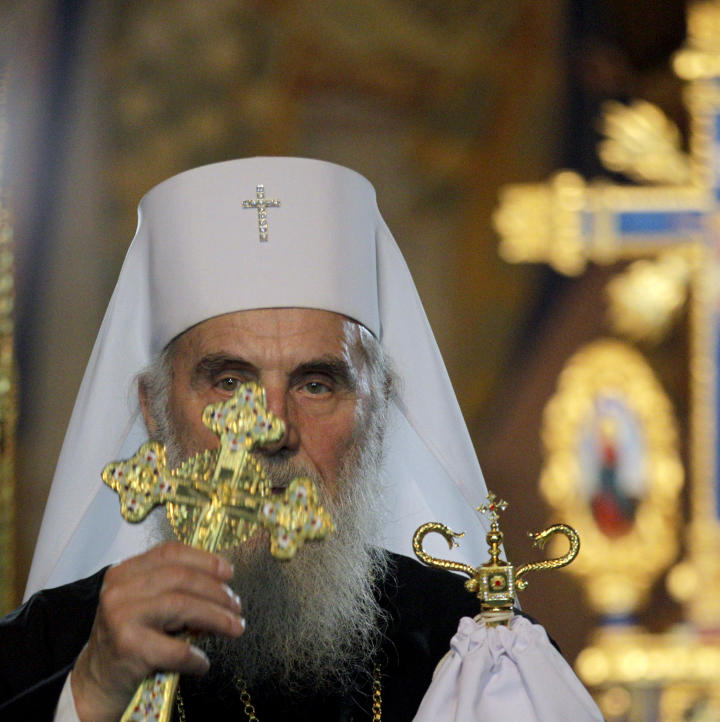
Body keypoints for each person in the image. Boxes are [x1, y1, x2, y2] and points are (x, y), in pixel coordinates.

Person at [0, 158, 603, 721]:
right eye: (229, 381)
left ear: (377, 412)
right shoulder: (52, 648)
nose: (272, 428)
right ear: (154, 414)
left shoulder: (475, 651)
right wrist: (93, 692)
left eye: (316, 384)